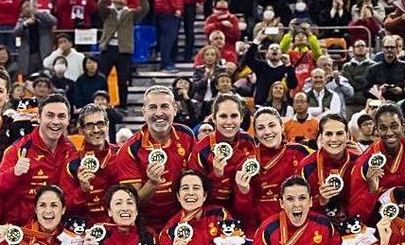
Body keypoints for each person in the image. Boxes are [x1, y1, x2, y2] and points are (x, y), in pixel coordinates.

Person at [246, 176, 369, 245]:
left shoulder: (324, 226)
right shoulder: (268, 230)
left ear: (310, 201)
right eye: (290, 199)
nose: (297, 204)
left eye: (302, 198)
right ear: (281, 203)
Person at [114, 86, 196, 230]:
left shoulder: (187, 136)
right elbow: (131, 202)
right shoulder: (129, 150)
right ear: (144, 112)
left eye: (164, 106)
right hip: (145, 223)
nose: (159, 113)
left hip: (184, 216)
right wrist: (152, 183)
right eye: (152, 107)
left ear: (175, 109)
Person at [0, 94, 76, 227]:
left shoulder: (71, 150)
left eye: (61, 116)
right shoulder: (18, 150)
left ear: (68, 120)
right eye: (50, 115)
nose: (56, 121)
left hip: (56, 229)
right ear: (38, 117)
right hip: (21, 230)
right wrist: (14, 172)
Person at [232, 107, 310, 234]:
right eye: (261, 128)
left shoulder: (300, 152)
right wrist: (243, 192)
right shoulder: (246, 164)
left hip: (300, 226)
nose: (267, 132)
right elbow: (242, 214)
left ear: (282, 127)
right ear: (255, 134)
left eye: (272, 125)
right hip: (263, 230)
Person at [158, 170, 234, 245]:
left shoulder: (220, 215)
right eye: (185, 188)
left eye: (196, 188)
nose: (191, 193)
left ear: (204, 195)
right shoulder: (169, 233)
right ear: (178, 196)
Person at [187, 94, 258, 208]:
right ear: (214, 119)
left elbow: (254, 184)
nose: (229, 122)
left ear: (241, 118)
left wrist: (244, 190)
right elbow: (195, 194)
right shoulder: (202, 149)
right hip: (210, 211)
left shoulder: (248, 141)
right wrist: (216, 175)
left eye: (234, 116)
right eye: (223, 116)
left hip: (243, 208)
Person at [349, 104, 405, 221]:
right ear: (377, 130)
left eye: (394, 126)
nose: (389, 133)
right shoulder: (364, 163)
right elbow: (356, 216)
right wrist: (372, 191)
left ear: (402, 125)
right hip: (377, 221)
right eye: (383, 128)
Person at [60, 104, 118, 222]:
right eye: (90, 125)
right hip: (83, 231)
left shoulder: (120, 154)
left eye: (100, 124)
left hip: (118, 227)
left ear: (107, 125)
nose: (96, 130)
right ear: (81, 130)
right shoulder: (72, 164)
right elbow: (65, 209)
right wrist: (82, 191)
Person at [97, 0, 150, 110]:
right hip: (108, 47)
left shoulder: (131, 14)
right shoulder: (108, 12)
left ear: (126, 0)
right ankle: (101, 103)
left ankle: (123, 105)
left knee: (123, 79)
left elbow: (145, 9)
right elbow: (100, 5)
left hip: (124, 49)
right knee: (102, 77)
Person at [298, 114, 359, 219]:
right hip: (319, 225)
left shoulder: (358, 161)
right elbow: (299, 206)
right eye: (329, 134)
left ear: (348, 136)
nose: (334, 139)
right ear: (321, 137)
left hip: (354, 224)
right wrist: (320, 200)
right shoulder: (306, 166)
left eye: (339, 133)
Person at [242, 42, 298, 108]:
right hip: (261, 105)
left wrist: (288, 65)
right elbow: (248, 59)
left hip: (281, 106)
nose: (274, 50)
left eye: (277, 48)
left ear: (281, 54)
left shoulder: (286, 68)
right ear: (267, 54)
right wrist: (256, 42)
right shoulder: (261, 66)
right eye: (271, 48)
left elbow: (293, 85)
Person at [13, 0, 57, 77]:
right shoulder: (21, 21)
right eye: (26, 7)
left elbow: (53, 21)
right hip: (29, 56)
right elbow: (16, 33)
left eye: (30, 6)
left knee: (45, 76)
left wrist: (37, 13)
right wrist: (25, 24)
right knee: (29, 77)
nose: (28, 8)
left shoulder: (43, 17)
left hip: (43, 53)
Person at [149, 0, 183, 73]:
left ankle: (166, 62)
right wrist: (177, 7)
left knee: (165, 37)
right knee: (168, 38)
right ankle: (166, 64)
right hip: (168, 9)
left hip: (160, 8)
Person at [364, 36, 405, 102]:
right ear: (382, 49)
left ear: (397, 49)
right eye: (386, 47)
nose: (389, 50)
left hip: (401, 103)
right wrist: (378, 90)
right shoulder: (373, 69)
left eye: (392, 47)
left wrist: (401, 91)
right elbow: (365, 91)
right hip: (379, 104)